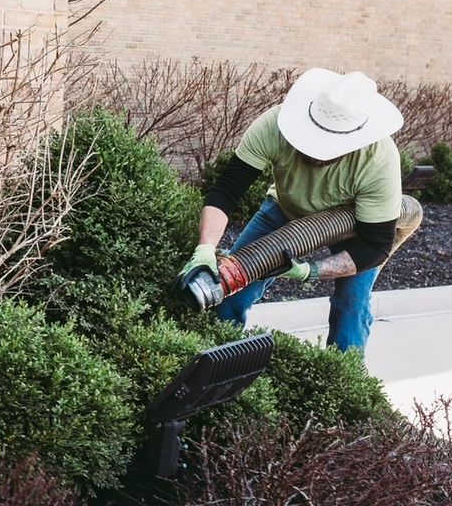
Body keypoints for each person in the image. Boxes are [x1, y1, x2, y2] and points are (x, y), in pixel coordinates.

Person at [179, 68, 418, 353]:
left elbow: (376, 246)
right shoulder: (275, 125)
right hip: (285, 209)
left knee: (351, 303)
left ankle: (345, 373)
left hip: (356, 226)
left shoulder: (377, 159)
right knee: (233, 287)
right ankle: (217, 360)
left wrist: (311, 271)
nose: (315, 151)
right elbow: (228, 189)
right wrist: (205, 248)